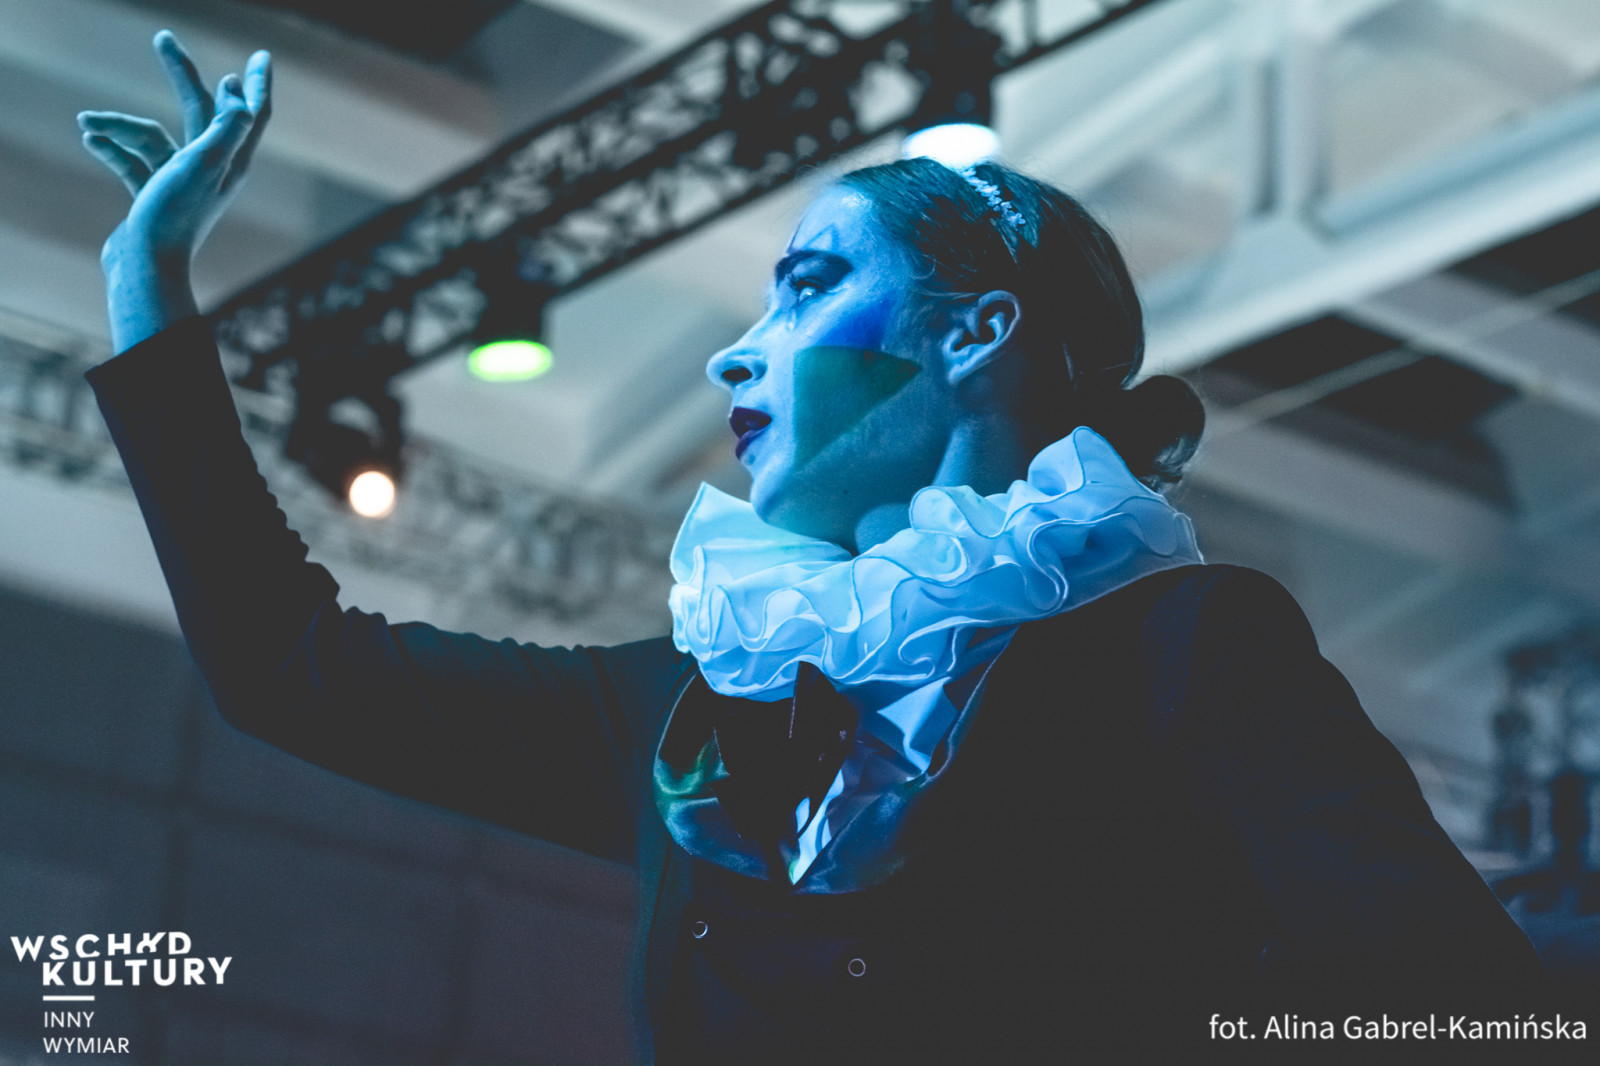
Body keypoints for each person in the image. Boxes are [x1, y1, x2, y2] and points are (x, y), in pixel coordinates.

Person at [79, 31, 1543, 1065]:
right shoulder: (690, 715)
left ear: (977, 332)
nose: (735, 351)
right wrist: (148, 290)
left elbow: (1468, 1009)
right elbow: (288, 666)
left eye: (807, 286)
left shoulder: (1188, 648)